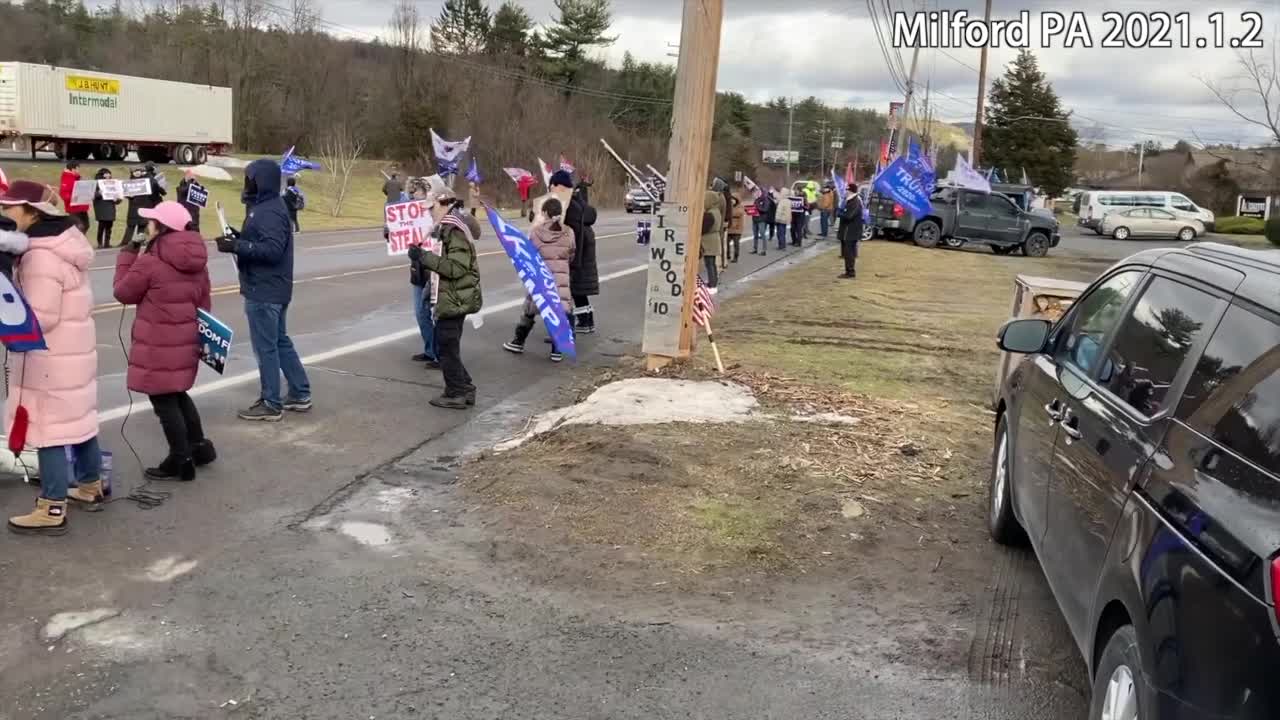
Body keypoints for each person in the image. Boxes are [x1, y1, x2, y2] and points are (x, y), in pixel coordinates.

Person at [0, 181, 101, 534]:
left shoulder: (40, 253)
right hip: (73, 353)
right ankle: (90, 485)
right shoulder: (66, 242)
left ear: (31, 211)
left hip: (50, 359)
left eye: (9, 207)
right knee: (80, 421)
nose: (4, 213)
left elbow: (40, 316)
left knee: (49, 431)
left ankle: (52, 506)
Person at [112, 201, 216, 480]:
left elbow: (123, 293)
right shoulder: (197, 262)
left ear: (161, 228)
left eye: (151, 222)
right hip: (186, 339)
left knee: (163, 399)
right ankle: (199, 446)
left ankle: (180, 459)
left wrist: (128, 253)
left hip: (157, 342)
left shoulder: (151, 261)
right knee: (178, 392)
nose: (147, 226)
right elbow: (205, 303)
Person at [215, 159, 312, 421]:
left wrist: (237, 247)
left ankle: (271, 402)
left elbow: (271, 250)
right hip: (270, 287)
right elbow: (261, 241)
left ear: (262, 180)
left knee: (266, 347)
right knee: (279, 341)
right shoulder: (265, 207)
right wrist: (236, 237)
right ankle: (300, 392)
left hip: (265, 289)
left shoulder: (269, 210)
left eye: (251, 178)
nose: (247, 184)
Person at [412, 190, 481, 409]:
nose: (430, 213)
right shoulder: (448, 228)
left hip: (455, 298)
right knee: (447, 346)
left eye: (432, 208)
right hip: (452, 296)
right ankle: (465, 387)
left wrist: (424, 258)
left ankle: (455, 393)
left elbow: (456, 268)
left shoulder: (455, 230)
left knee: (446, 347)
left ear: (443, 204)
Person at [502, 196, 574, 361]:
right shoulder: (569, 232)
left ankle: (518, 341)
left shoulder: (536, 232)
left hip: (541, 278)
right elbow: (572, 253)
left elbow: (528, 255)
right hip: (561, 279)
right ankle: (556, 350)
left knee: (530, 311)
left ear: (545, 213)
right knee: (558, 311)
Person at [554, 171, 599, 334]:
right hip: (584, 249)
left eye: (553, 185)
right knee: (579, 289)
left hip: (578, 251)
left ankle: (573, 326)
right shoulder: (578, 201)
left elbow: (568, 230)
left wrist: (573, 258)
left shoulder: (569, 206)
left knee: (573, 288)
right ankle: (587, 321)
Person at [405, 179, 438, 367]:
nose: (412, 195)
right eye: (411, 192)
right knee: (420, 312)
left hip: (433, 268)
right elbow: (403, 236)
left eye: (415, 191)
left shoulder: (438, 215)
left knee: (435, 314)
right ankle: (430, 350)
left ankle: (439, 354)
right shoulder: (410, 214)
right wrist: (391, 233)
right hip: (418, 269)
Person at [837, 183, 866, 279]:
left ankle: (850, 272)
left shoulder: (855, 201)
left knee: (849, 253)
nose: (845, 192)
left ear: (850, 191)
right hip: (849, 231)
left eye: (847, 190)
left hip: (850, 232)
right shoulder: (850, 200)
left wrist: (840, 213)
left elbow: (849, 216)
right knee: (848, 252)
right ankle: (849, 271)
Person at [700, 187, 724, 292]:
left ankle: (712, 284)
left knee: (709, 264)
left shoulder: (710, 214)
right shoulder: (716, 211)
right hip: (713, 240)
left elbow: (703, 228)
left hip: (708, 242)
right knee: (712, 263)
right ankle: (712, 282)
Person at [92, 168, 120, 250]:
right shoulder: (97, 183)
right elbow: (92, 195)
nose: (108, 175)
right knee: (101, 226)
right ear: (102, 174)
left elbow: (118, 196)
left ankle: (107, 243)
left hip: (110, 206)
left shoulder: (113, 184)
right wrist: (98, 193)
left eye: (109, 174)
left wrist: (117, 199)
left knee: (109, 226)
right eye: (106, 174)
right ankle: (99, 243)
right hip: (101, 207)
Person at [58, 160, 90, 232]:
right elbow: (63, 194)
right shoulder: (67, 179)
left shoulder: (78, 178)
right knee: (78, 227)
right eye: (78, 168)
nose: (79, 170)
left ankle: (80, 241)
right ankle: (76, 241)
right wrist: (74, 197)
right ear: (73, 169)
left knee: (86, 225)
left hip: (82, 207)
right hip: (73, 208)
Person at [726, 184, 745, 264]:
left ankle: (736, 256)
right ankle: (727, 255)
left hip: (737, 229)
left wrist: (729, 213)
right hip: (729, 228)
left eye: (734, 199)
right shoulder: (729, 206)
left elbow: (738, 213)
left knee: (736, 244)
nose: (732, 201)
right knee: (726, 243)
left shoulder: (740, 207)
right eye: (731, 199)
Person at [752, 189, 772, 256]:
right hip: (755, 219)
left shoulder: (766, 200)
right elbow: (754, 208)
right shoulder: (756, 200)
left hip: (761, 220)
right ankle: (755, 248)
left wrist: (757, 206)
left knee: (763, 235)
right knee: (755, 235)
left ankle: (764, 250)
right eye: (757, 192)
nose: (757, 193)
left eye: (759, 192)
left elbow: (765, 209)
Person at [772, 187, 790, 251]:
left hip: (780, 219)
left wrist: (776, 219)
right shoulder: (787, 200)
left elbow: (779, 211)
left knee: (780, 233)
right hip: (784, 220)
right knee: (782, 233)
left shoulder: (782, 201)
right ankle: (782, 245)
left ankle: (782, 246)